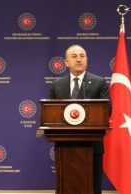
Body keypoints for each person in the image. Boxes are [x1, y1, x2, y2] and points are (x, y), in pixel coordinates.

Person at [49, 44, 110, 194]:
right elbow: (50, 112)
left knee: (93, 186)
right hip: (65, 146)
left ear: (87, 60)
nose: (78, 60)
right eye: (74, 56)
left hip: (92, 145)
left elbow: (107, 110)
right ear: (66, 62)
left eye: (82, 56)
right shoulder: (57, 85)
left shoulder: (99, 82)